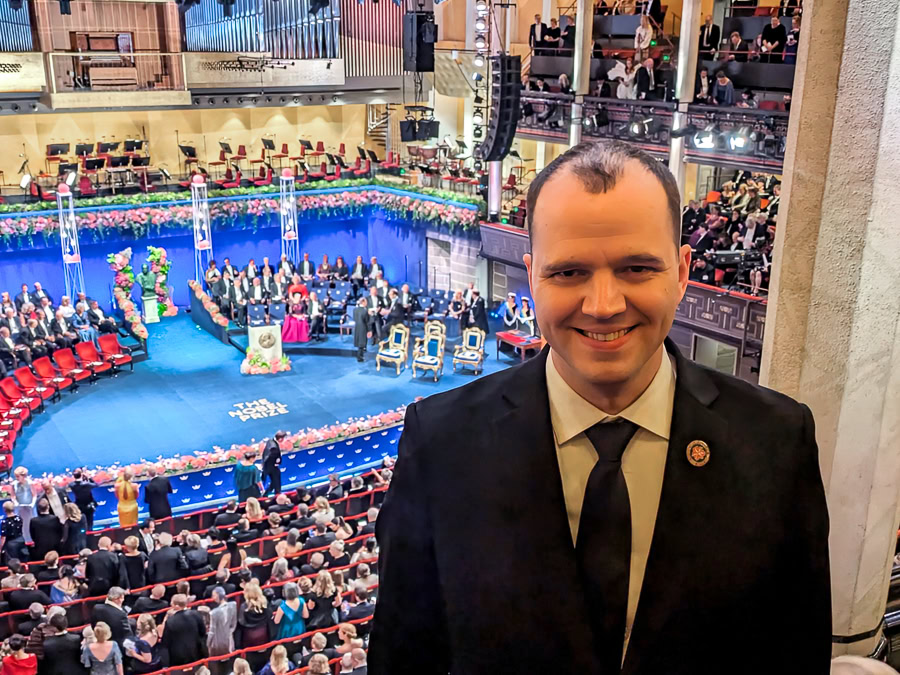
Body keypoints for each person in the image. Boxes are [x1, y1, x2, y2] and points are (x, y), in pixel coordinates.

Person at [368, 140, 830, 673]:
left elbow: (795, 654)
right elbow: (403, 657)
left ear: (682, 272)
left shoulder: (776, 441)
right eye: (569, 273)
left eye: (636, 268)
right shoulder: (442, 443)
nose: (604, 306)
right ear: (533, 276)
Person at [161, 594, 207, 667]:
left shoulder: (170, 622)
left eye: (172, 603)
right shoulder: (196, 614)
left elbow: (166, 643)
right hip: (196, 653)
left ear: (176, 606)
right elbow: (203, 633)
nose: (170, 604)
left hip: (178, 658)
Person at [207, 586, 238, 660]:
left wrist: (208, 644)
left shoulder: (213, 613)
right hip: (229, 639)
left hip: (218, 643)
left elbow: (212, 632)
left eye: (214, 595)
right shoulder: (233, 605)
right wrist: (228, 633)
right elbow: (233, 625)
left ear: (218, 595)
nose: (212, 598)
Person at [12, 468, 35, 545]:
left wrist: (32, 503)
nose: (16, 478)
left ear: (23, 476)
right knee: (21, 525)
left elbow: (34, 495)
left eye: (18, 476)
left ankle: (31, 539)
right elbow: (13, 496)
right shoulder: (14, 484)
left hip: (29, 508)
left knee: (29, 524)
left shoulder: (30, 483)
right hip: (19, 508)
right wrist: (15, 502)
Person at [261, 431, 285, 496]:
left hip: (267, 466)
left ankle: (265, 494)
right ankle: (278, 495)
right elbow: (271, 456)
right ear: (280, 439)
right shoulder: (274, 448)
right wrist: (276, 462)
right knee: (277, 482)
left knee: (274, 483)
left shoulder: (270, 441)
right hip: (271, 467)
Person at [352, 296, 370, 362]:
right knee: (361, 343)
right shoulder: (365, 311)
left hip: (357, 327)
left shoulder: (355, 310)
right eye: (366, 302)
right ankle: (360, 357)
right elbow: (367, 321)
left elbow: (354, 319)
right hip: (363, 328)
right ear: (363, 302)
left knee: (359, 342)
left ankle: (360, 356)